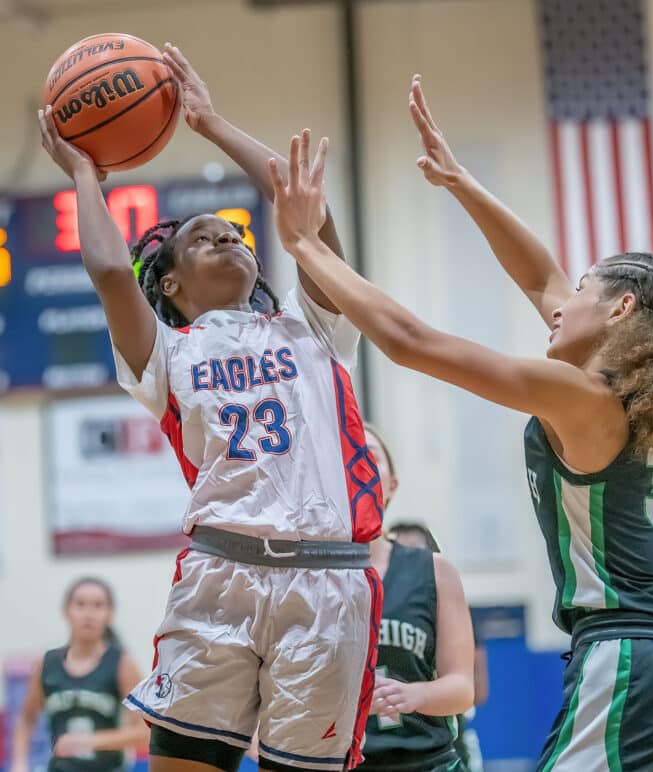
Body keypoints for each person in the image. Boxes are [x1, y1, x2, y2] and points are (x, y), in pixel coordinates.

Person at [267, 78, 653, 770]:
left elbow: (414, 343)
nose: (562, 303)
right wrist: (461, 181)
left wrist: (305, 248)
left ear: (619, 312)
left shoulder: (583, 395)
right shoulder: (636, 396)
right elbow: (539, 276)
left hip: (628, 661)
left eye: (583, 292)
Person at [38, 44, 383, 772]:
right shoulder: (166, 353)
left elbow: (307, 217)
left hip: (325, 581)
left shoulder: (309, 324)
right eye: (203, 236)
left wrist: (212, 123)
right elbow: (106, 269)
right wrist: (81, 173)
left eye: (236, 232)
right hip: (219, 577)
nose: (227, 235)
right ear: (167, 285)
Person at [360, 424, 474, 772]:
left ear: (391, 484)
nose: (358, 461)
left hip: (428, 761)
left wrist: (417, 695)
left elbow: (463, 687)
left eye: (371, 454)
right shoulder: (304, 577)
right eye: (347, 452)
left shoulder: (435, 571)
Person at [9, 577, 147, 772]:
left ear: (109, 614)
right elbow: (26, 719)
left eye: (98, 605)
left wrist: (90, 741)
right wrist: (19, 764)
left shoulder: (122, 663)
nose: (88, 614)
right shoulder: (47, 663)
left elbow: (144, 733)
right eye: (80, 604)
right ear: (66, 612)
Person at [388, 522, 488, 772]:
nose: (404, 556)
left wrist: (422, 694)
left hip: (444, 744)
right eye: (397, 548)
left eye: (412, 550)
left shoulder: (447, 603)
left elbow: (478, 690)